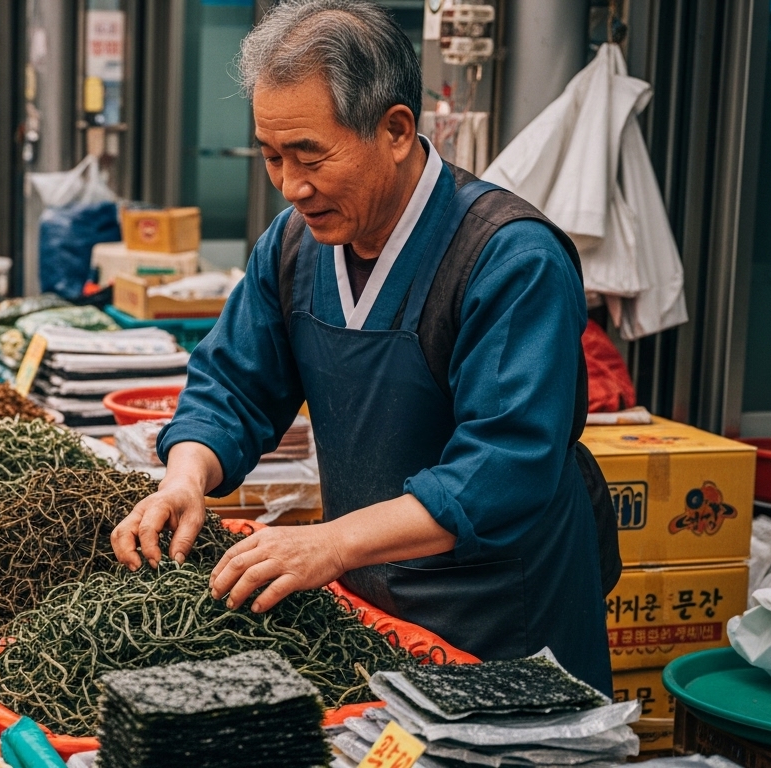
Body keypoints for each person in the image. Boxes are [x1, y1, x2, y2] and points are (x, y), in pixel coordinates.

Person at [110, 0, 616, 693]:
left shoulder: (511, 260)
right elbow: (232, 385)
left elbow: (503, 467)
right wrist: (184, 479)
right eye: (271, 157)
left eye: (310, 155)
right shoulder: (293, 245)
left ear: (396, 130)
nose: (292, 186)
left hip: (506, 625)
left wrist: (333, 541)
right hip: (369, 608)